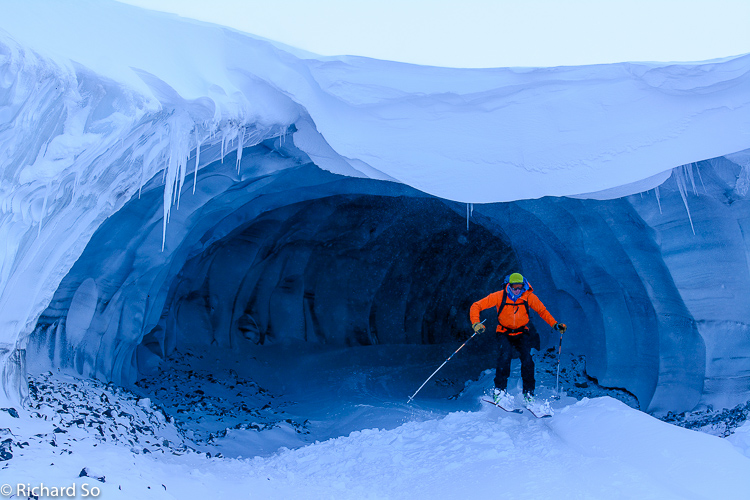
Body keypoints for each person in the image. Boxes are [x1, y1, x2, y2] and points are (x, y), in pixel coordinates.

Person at [469, 272, 566, 406]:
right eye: (515, 287)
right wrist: (476, 323)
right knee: (505, 357)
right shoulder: (499, 296)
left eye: (520, 287)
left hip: (522, 332)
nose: (517, 290)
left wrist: (555, 324)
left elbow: (542, 311)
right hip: (504, 332)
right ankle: (499, 391)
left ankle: (529, 393)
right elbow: (476, 305)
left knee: (527, 360)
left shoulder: (528, 297)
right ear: (509, 285)